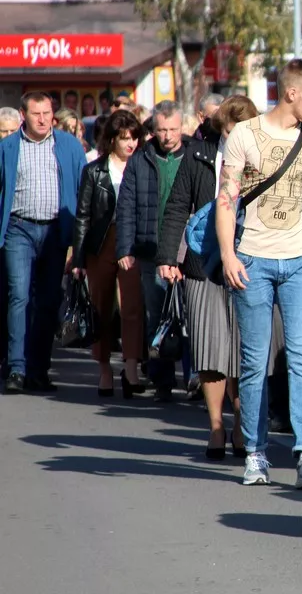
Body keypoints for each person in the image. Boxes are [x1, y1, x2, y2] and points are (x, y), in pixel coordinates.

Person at [217, 59, 302, 489]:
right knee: (255, 363)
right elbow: (226, 201)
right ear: (291, 93)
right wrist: (228, 256)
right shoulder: (244, 134)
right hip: (252, 259)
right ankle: (255, 453)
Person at [157, 95, 260, 459]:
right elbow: (176, 206)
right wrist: (168, 256)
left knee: (246, 350)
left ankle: (240, 426)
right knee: (210, 348)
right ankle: (217, 425)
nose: (236, 139)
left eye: (242, 131)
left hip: (251, 263)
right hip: (203, 264)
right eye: (230, 132)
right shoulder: (199, 155)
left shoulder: (265, 155)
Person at [1, 92, 87, 393]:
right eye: (36, 113)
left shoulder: (69, 146)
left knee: (49, 301)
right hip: (18, 229)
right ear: (23, 115)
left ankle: (38, 368)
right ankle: (16, 368)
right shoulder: (8, 147)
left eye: (47, 113)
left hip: (55, 233)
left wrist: (77, 243)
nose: (42, 119)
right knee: (19, 297)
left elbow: (81, 192)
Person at [116, 100, 191, 403]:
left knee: (191, 317)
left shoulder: (194, 156)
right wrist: (125, 247)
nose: (168, 136)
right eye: (161, 130)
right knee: (158, 316)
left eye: (173, 129)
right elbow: (126, 206)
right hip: (151, 250)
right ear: (153, 129)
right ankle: (162, 380)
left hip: (189, 252)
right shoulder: (141, 158)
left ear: (182, 127)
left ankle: (195, 377)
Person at [71, 110, 147, 399]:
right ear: (112, 139)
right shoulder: (95, 170)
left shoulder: (142, 165)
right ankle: (104, 368)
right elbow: (83, 217)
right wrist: (78, 260)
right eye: (124, 138)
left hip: (132, 243)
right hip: (101, 242)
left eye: (134, 138)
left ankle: (130, 368)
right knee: (101, 307)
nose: (130, 144)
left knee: (131, 306)